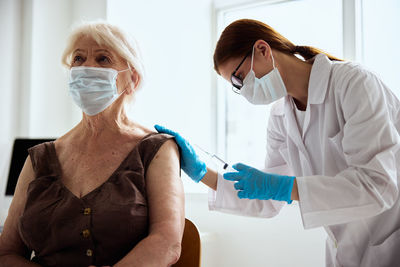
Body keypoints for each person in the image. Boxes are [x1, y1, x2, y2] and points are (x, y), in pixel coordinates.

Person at [156, 19, 400, 266]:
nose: (243, 90)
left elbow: (377, 185)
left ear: (263, 49)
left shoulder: (354, 84)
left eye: (239, 78)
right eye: (236, 86)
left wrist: (283, 186)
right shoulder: (281, 116)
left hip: (390, 241)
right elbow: (267, 199)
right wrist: (201, 172)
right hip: (345, 252)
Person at [0, 22, 184, 267]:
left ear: (133, 79)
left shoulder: (156, 149)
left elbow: (167, 243)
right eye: (78, 58)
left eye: (103, 59)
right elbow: (7, 252)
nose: (87, 68)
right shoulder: (42, 156)